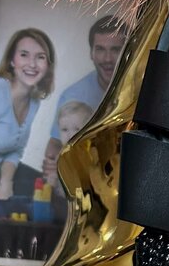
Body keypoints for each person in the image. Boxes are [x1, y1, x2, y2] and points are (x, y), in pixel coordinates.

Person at [42, 16, 128, 184]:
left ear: (128, 52)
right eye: (100, 49)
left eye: (116, 49)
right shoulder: (72, 95)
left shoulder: (145, 90)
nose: (107, 59)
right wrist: (53, 161)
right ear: (91, 53)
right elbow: (56, 141)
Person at [0, 27, 56, 207]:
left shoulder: (33, 102)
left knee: (48, 191)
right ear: (11, 60)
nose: (32, 64)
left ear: (48, 65)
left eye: (40, 57)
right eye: (24, 55)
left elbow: (15, 150)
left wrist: (6, 182)